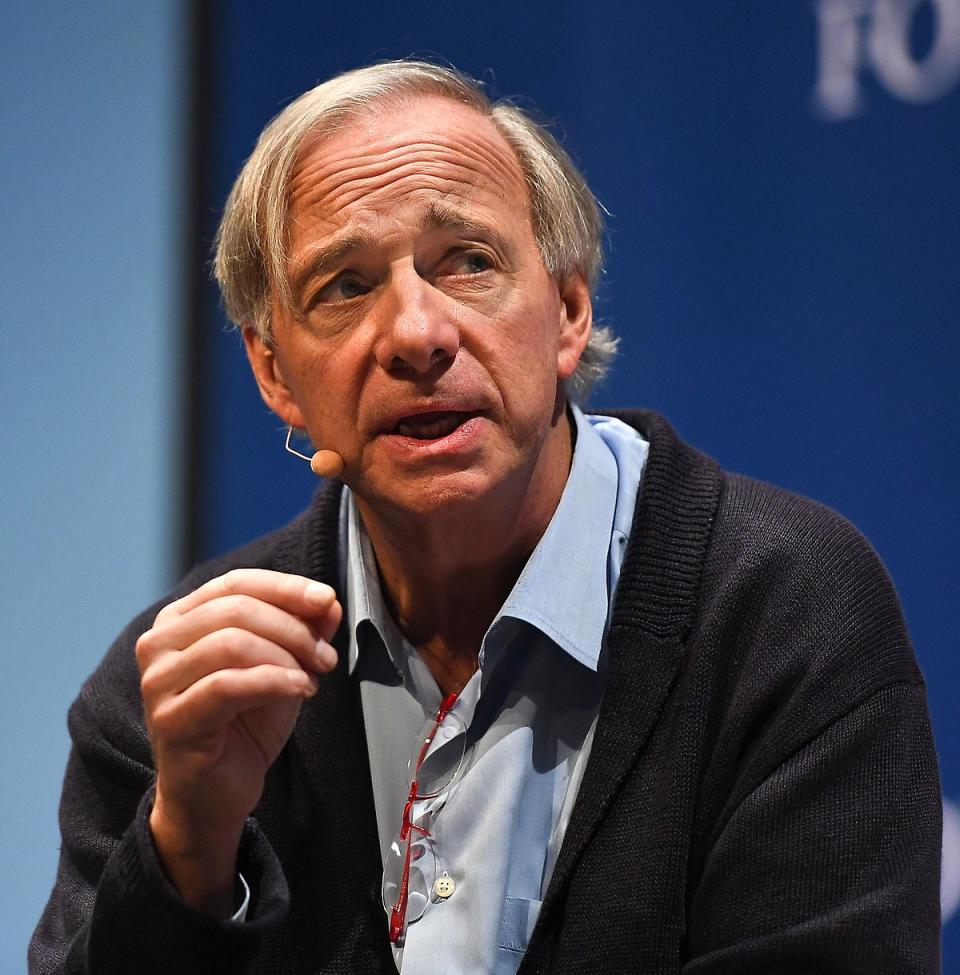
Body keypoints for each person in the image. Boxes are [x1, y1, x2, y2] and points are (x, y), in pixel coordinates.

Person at [30, 60, 941, 975]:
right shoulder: (182, 692)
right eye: (344, 286)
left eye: (468, 261)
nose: (416, 333)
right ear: (275, 375)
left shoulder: (787, 613)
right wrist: (189, 851)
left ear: (569, 313)